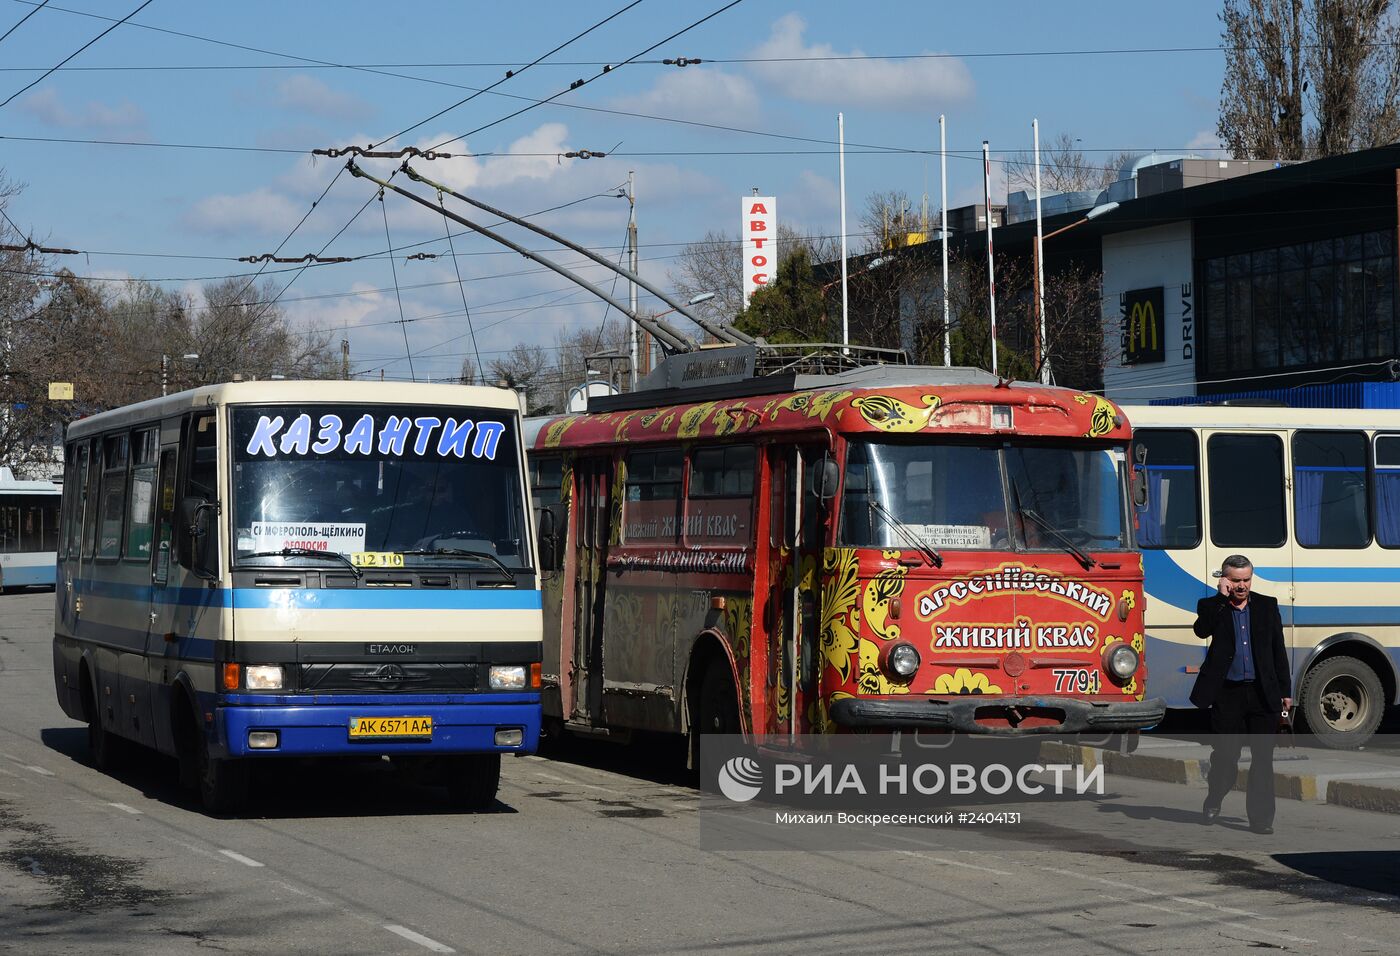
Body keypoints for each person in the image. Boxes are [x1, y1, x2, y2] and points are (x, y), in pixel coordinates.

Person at [1191, 554, 1292, 834]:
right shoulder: (1212, 606)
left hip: (1262, 695)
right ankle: (1214, 797)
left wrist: (1285, 690)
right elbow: (1202, 630)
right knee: (1225, 756)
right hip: (1228, 695)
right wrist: (1221, 600)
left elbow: (1277, 650)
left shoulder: (1267, 607)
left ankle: (1261, 819)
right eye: (1236, 580)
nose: (1242, 585)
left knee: (1263, 759)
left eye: (1246, 579)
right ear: (1225, 580)